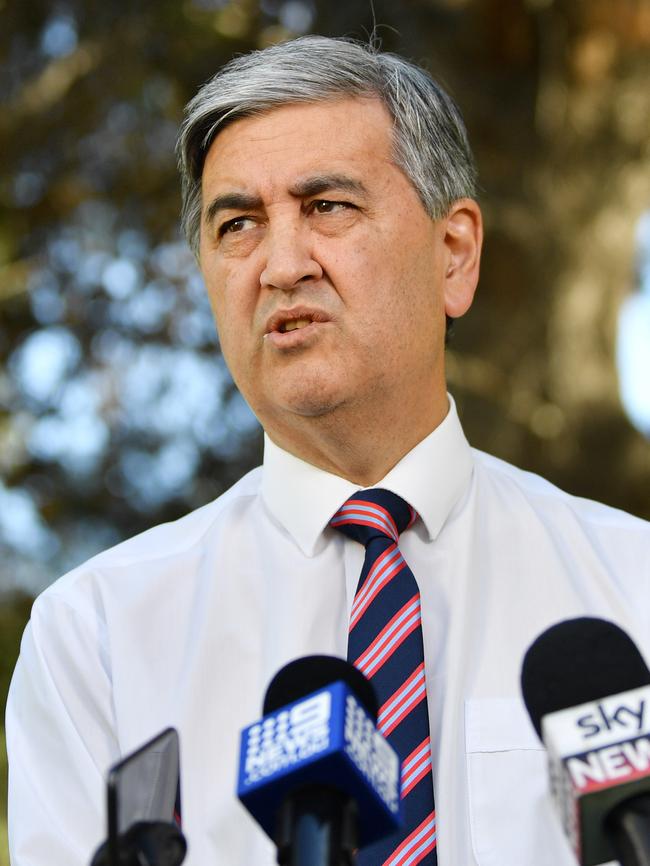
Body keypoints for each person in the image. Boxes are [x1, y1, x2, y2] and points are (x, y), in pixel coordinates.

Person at [6, 35, 650, 866]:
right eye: (237, 224)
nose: (279, 265)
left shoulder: (633, 591)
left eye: (328, 208)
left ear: (453, 255)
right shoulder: (97, 637)